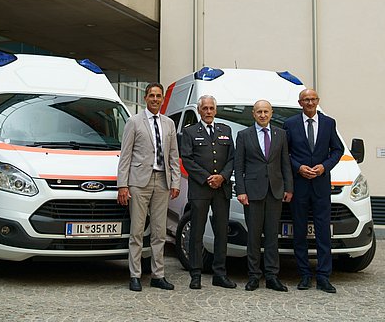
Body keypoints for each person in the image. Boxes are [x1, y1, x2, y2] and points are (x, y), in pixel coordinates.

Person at [117, 83, 181, 292]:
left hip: (162, 181)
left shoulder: (169, 124)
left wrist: (176, 182)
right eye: (151, 95)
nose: (155, 99)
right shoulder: (133, 122)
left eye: (158, 96)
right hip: (139, 182)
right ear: (145, 98)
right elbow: (125, 155)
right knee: (136, 231)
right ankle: (135, 275)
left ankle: (158, 274)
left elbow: (173, 155)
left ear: (162, 99)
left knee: (159, 232)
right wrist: (122, 185)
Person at [283, 89, 344, 293]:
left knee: (323, 232)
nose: (309, 102)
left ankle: (324, 276)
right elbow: (285, 153)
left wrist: (324, 166)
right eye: (306, 99)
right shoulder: (290, 124)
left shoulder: (328, 123)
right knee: (299, 231)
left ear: (318, 101)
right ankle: (305, 275)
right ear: (300, 102)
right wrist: (298, 167)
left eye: (313, 99)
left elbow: (337, 149)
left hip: (321, 186)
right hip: (299, 185)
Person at [234, 100, 293, 292]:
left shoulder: (281, 134)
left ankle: (272, 276)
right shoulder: (244, 135)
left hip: (275, 191)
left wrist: (289, 188)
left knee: (271, 237)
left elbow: (285, 163)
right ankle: (253, 276)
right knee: (253, 236)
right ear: (253, 114)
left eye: (266, 111)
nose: (262, 115)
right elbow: (239, 166)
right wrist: (241, 191)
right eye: (259, 112)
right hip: (252, 193)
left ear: (271, 113)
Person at [180, 95, 236, 290]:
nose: (209, 111)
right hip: (200, 189)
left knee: (222, 232)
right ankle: (195, 274)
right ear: (199, 110)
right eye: (205, 108)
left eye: (212, 108)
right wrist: (207, 178)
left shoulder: (225, 130)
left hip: (222, 189)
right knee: (197, 231)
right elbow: (187, 159)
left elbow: (232, 158)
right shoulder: (190, 132)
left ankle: (219, 273)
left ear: (216, 110)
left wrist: (222, 177)